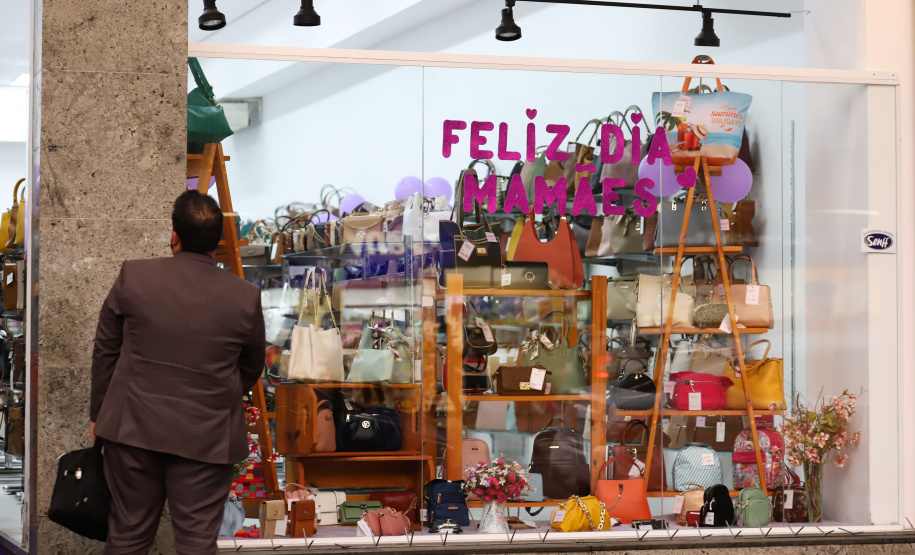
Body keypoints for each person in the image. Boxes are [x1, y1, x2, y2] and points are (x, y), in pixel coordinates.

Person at [90, 190, 266, 554]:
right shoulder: (244, 296)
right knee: (197, 542)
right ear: (218, 242)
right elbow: (251, 365)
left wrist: (99, 413)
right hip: (207, 434)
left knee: (127, 536)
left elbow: (106, 348)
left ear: (174, 236)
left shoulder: (134, 276)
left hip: (132, 428)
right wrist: (218, 395)